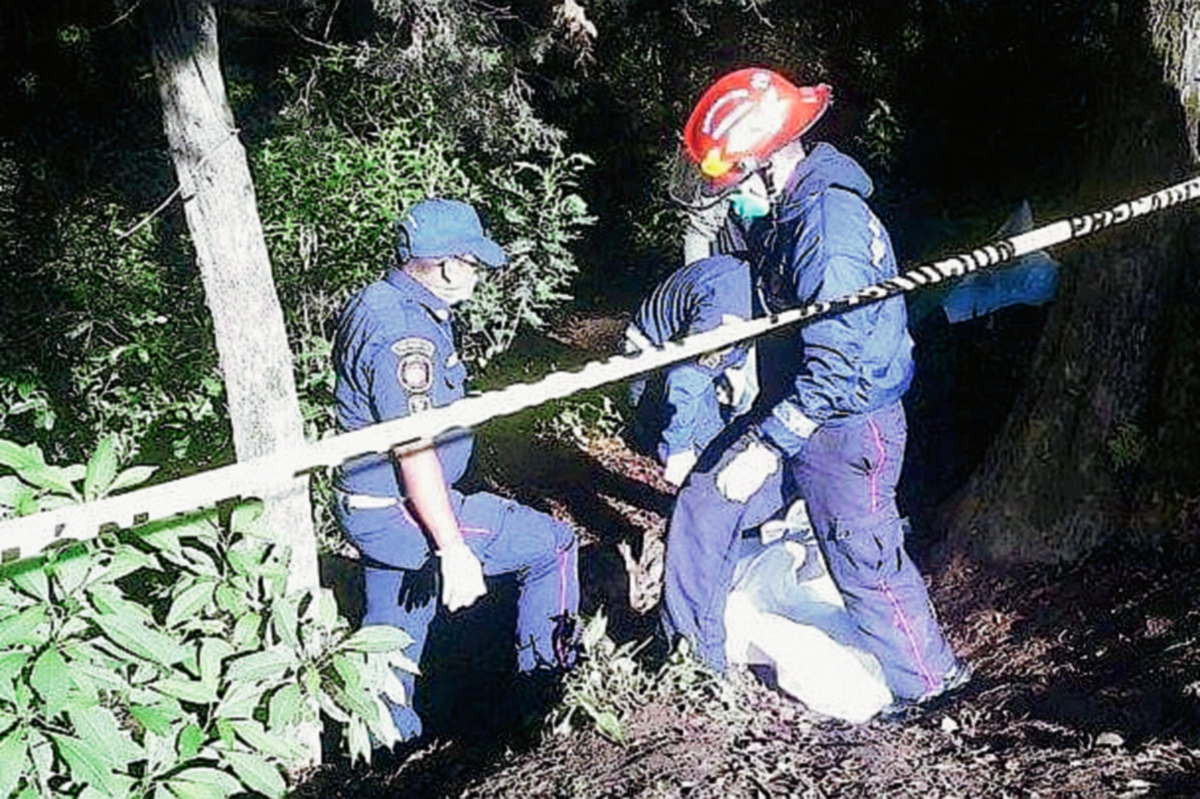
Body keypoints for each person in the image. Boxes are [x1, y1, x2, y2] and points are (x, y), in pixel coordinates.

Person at [662, 68, 969, 716]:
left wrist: (765, 449)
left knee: (860, 556)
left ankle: (932, 685)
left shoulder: (828, 230)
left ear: (770, 165)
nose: (731, 206)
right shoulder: (784, 211)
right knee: (705, 500)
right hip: (792, 404)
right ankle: (693, 663)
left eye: (735, 189)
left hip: (848, 420)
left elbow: (837, 363)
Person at [332, 198, 580, 743]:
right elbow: (414, 446)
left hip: (368, 501)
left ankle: (387, 748)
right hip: (400, 509)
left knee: (392, 635)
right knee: (555, 546)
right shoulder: (405, 336)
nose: (478, 275)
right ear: (447, 266)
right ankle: (548, 693)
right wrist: (451, 548)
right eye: (474, 264)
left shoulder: (380, 300)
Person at [624, 253, 759, 486]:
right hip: (653, 368)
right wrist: (678, 450)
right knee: (714, 460)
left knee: (727, 442)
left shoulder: (746, 273)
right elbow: (684, 379)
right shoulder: (732, 302)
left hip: (672, 357)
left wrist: (734, 371)